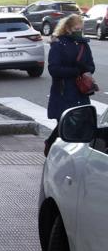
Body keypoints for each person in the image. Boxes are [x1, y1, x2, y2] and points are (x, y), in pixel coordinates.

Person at [44, 14, 95, 156]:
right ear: (67, 28)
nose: (79, 31)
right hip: (63, 91)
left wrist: (86, 70)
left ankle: (72, 153)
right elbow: (53, 69)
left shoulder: (83, 44)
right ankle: (52, 145)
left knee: (80, 122)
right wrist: (75, 71)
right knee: (66, 123)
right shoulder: (58, 45)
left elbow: (91, 66)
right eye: (76, 28)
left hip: (80, 91)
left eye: (81, 29)